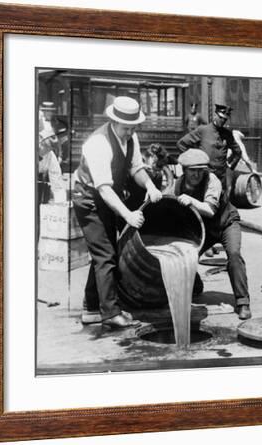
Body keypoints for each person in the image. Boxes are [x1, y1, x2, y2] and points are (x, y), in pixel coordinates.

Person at [72, 96, 163, 329]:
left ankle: (91, 309)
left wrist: (150, 185)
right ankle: (110, 313)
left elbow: (136, 168)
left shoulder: (131, 137)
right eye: (125, 128)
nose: (129, 132)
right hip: (88, 198)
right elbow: (104, 189)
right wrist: (128, 215)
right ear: (114, 121)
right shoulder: (98, 143)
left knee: (105, 253)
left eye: (133, 128)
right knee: (105, 255)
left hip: (105, 196)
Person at [173, 149, 252, 320]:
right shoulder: (178, 184)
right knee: (186, 254)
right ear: (184, 170)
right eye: (192, 170)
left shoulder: (212, 180)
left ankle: (243, 302)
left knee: (234, 255)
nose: (197, 174)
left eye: (200, 170)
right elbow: (167, 200)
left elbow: (209, 210)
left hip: (226, 223)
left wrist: (191, 200)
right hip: (205, 229)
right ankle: (195, 285)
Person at [177, 103, 242, 197]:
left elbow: (238, 152)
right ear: (215, 115)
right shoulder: (203, 130)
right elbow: (181, 144)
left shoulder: (227, 134)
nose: (223, 121)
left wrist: (230, 165)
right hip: (204, 176)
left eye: (225, 119)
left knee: (221, 204)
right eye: (220, 117)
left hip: (221, 177)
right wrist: (193, 162)